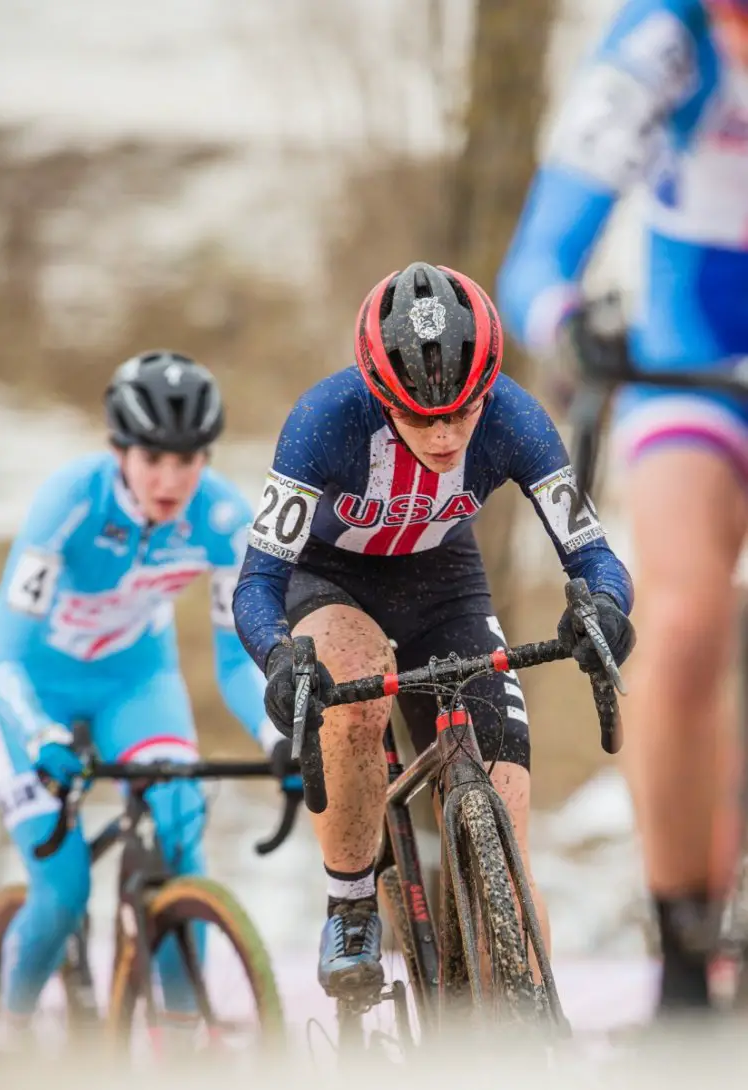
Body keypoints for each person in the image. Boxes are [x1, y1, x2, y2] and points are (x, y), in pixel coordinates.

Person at [233, 261, 635, 1000]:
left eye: (464, 410)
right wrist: (280, 658)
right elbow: (256, 584)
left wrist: (602, 608)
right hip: (330, 579)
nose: (448, 434)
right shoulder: (324, 419)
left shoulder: (515, 417)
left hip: (443, 585)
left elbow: (595, 554)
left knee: (507, 838)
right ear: (380, 397)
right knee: (353, 687)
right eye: (422, 417)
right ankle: (351, 902)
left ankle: (529, 1028)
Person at [498, 0, 748, 1017]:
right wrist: (568, 321)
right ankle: (685, 936)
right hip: (687, 360)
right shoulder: (663, 41)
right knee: (685, 623)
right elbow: (538, 256)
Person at [0, 350, 284, 1040]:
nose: (170, 479)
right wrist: (40, 738)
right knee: (63, 893)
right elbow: (6, 655)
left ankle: (183, 1042)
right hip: (32, 689)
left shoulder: (221, 518)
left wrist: (282, 736)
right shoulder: (70, 501)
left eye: (189, 461)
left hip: (136, 683)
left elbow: (236, 660)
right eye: (153, 457)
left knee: (181, 820)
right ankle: (9, 1032)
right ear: (119, 450)